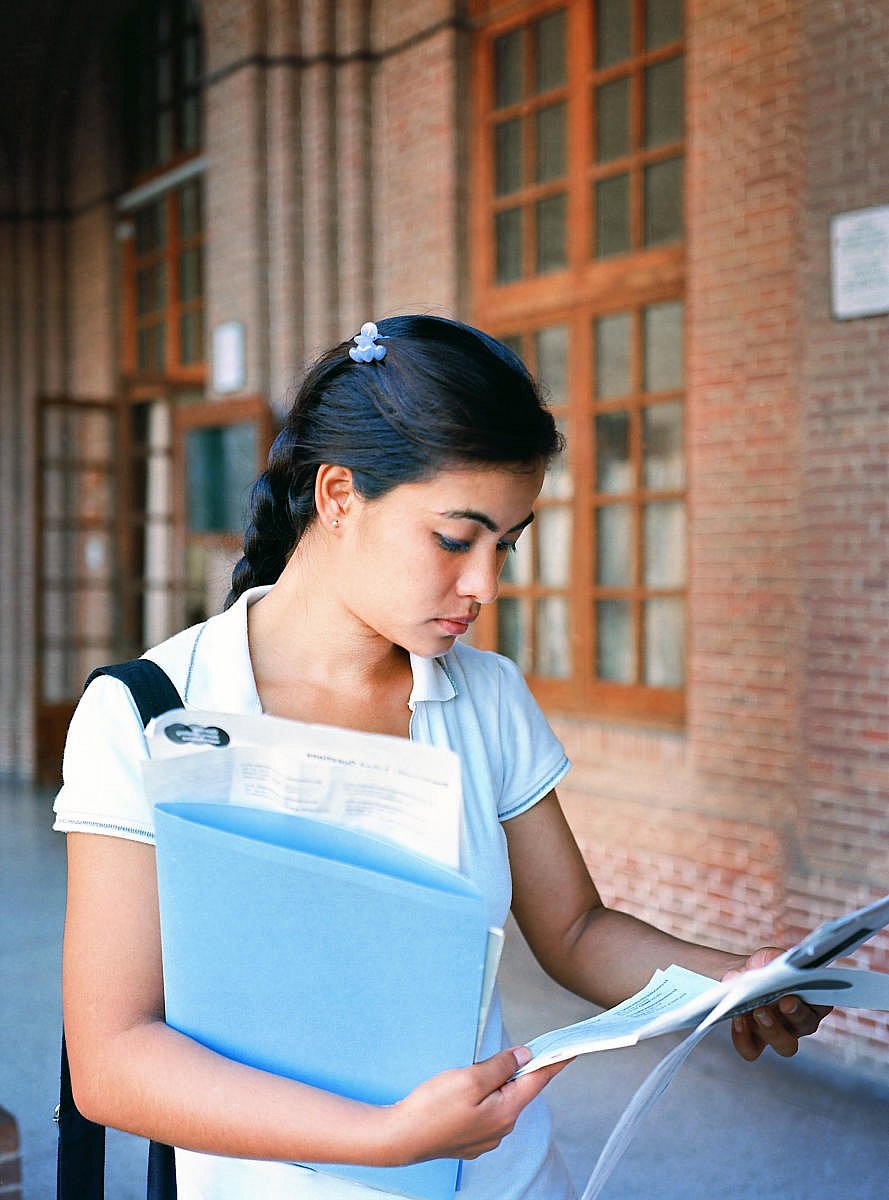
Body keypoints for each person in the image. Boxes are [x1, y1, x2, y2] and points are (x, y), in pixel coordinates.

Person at [55, 315, 829, 1200]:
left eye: (507, 543)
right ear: (338, 495)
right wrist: (381, 1140)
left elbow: (576, 932)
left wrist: (730, 979)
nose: (485, 587)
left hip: (510, 1179)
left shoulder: (485, 694)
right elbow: (112, 1060)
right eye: (455, 539)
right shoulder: (152, 713)